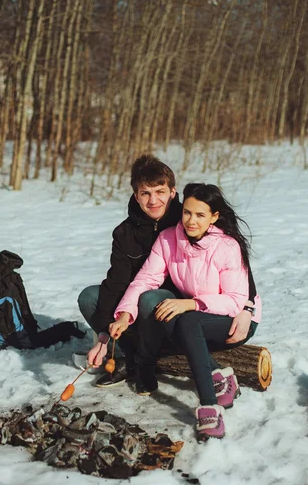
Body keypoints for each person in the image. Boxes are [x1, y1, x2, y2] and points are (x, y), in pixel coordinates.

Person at [79, 156, 257, 388]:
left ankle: (152, 360)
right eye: (145, 193)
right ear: (136, 196)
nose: (153, 201)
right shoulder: (125, 233)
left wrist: (246, 307)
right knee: (90, 296)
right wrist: (104, 334)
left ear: (172, 192)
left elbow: (237, 265)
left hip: (181, 305)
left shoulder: (191, 217)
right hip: (136, 303)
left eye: (160, 192)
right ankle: (131, 356)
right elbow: (117, 282)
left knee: (152, 298)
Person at [107, 183, 261, 441]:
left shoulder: (226, 246)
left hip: (234, 320)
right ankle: (219, 375)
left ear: (214, 217)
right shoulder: (168, 238)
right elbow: (145, 280)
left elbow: (235, 300)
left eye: (200, 215)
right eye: (187, 212)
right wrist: (125, 314)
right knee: (165, 311)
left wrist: (192, 303)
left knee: (187, 320)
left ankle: (209, 408)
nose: (191, 220)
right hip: (196, 317)